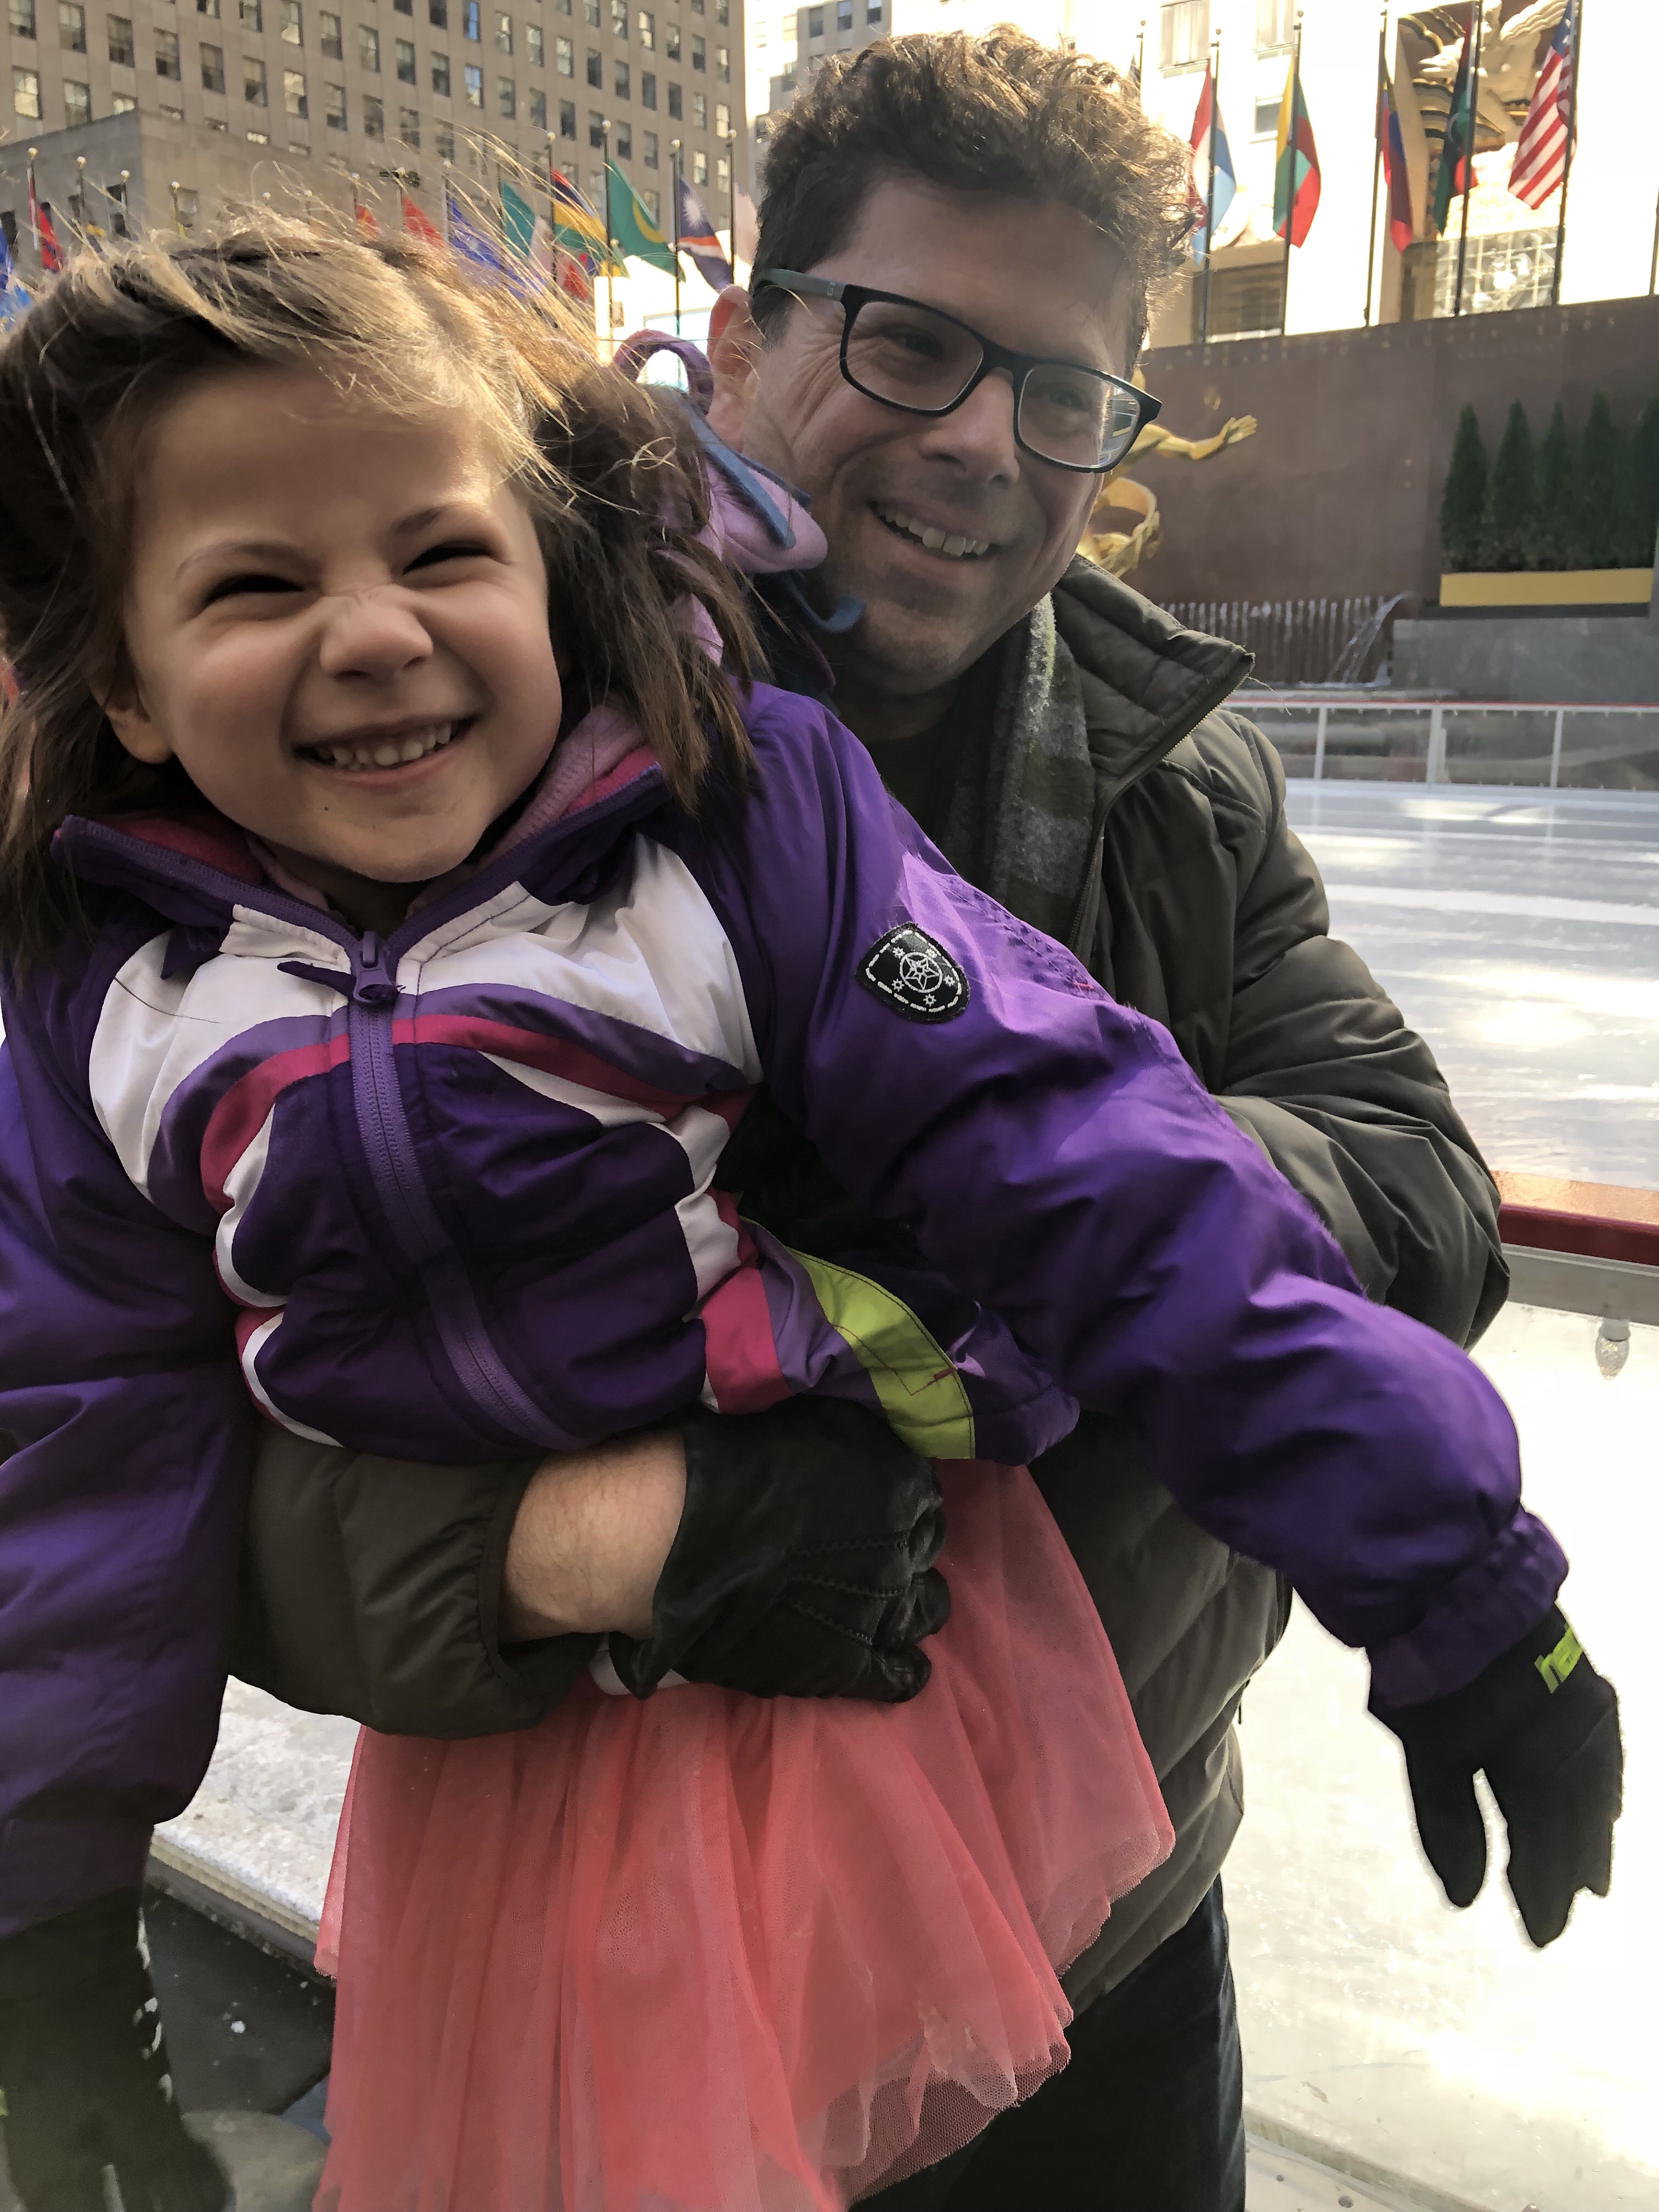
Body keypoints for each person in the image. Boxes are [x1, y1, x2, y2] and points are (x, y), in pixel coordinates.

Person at [0, 197, 1620, 2212]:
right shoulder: (128, 997)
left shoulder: (871, 809)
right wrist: (50, 1955)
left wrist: (1441, 1569)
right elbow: (88, 1467)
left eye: (1063, 389)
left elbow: (1231, 1174)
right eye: (910, 345)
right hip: (544, 1844)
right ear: (748, 340)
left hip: (1068, 1818)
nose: (979, 439)